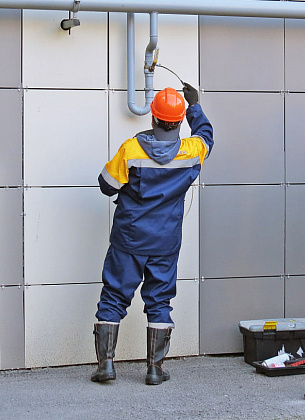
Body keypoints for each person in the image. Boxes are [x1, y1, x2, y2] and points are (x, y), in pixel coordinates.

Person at [92, 84, 213, 386]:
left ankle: (106, 367)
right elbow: (208, 137)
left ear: (153, 118)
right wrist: (195, 105)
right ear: (180, 119)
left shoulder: (131, 149)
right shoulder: (192, 151)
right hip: (166, 240)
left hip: (129, 238)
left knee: (114, 296)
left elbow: (106, 184)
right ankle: (155, 370)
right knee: (160, 301)